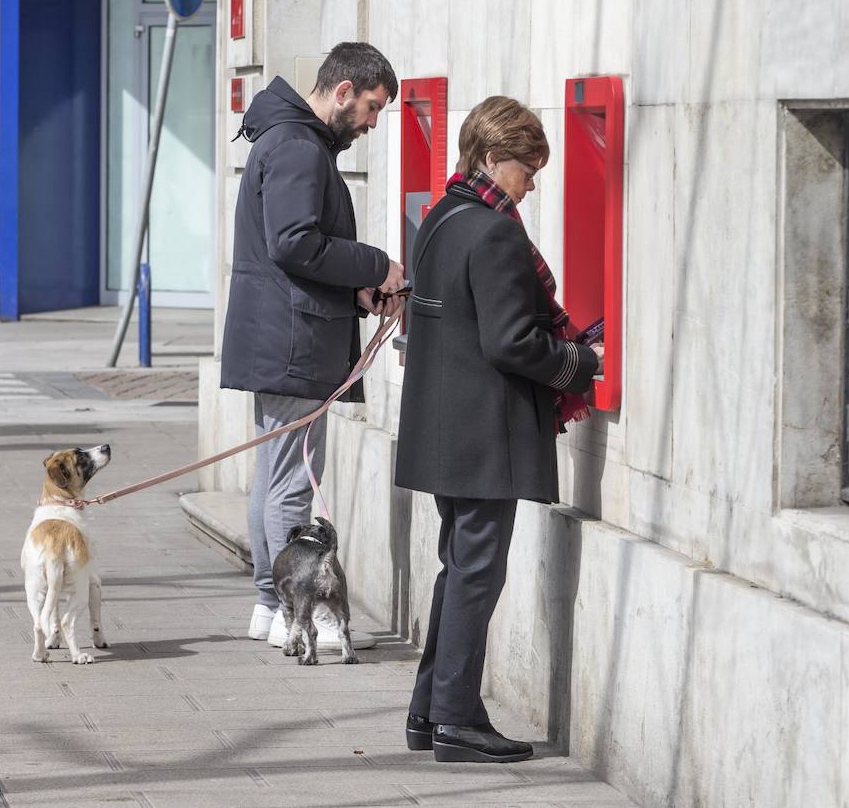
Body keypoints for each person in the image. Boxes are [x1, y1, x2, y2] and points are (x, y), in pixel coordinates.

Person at [394, 96, 602, 763]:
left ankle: (432, 711)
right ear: (491, 156)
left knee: (459, 570)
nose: (532, 182)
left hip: (442, 428)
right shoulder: (494, 230)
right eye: (526, 167)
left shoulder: (440, 216)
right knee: (475, 574)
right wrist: (579, 362)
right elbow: (511, 342)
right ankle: (455, 719)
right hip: (485, 433)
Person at [220, 42, 406, 653]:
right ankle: (299, 615)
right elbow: (295, 243)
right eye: (373, 108)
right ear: (344, 89)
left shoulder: (289, 139)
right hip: (293, 342)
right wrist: (377, 265)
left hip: (281, 334)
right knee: (294, 484)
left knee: (272, 482)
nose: (373, 123)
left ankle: (268, 605)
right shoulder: (299, 146)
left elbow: (294, 255)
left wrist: (357, 291)